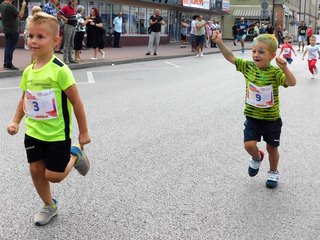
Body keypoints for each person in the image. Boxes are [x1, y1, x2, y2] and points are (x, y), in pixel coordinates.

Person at [7, 12, 91, 226]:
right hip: (34, 131)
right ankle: (49, 205)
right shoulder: (28, 72)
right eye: (30, 36)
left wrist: (83, 132)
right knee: (36, 171)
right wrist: (16, 121)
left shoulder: (60, 70)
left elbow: (77, 102)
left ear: (55, 41)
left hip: (57, 133)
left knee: (54, 176)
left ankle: (75, 154)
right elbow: (24, 98)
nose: (33, 41)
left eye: (40, 37)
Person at [211, 32, 296, 188]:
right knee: (249, 145)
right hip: (252, 117)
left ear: (272, 55)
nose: (256, 55)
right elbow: (231, 57)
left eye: (261, 52)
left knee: (272, 148)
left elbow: (292, 83)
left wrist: (285, 68)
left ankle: (273, 172)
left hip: (271, 120)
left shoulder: (275, 72)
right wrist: (219, 43)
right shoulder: (248, 67)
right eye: (254, 51)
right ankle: (257, 157)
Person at [0, 0, 27, 70]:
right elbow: (20, 15)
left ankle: (6, 63)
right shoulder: (10, 7)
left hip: (6, 29)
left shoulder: (2, 4)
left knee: (8, 47)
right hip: (13, 30)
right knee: (10, 47)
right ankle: (8, 64)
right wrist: (23, 6)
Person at [58, 0, 78, 64]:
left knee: (71, 42)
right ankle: (65, 59)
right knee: (67, 42)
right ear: (71, 2)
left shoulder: (74, 9)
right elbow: (59, 14)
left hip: (73, 26)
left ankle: (70, 58)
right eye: (75, 1)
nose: (76, 2)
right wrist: (64, 18)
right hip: (68, 26)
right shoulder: (66, 7)